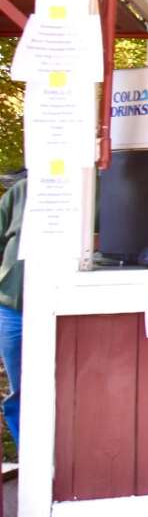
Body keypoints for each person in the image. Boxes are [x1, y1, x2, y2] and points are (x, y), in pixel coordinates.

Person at [0, 171, 24, 450]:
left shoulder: (93, 190)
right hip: (12, 310)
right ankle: (28, 458)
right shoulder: (19, 192)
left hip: (63, 307)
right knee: (21, 391)